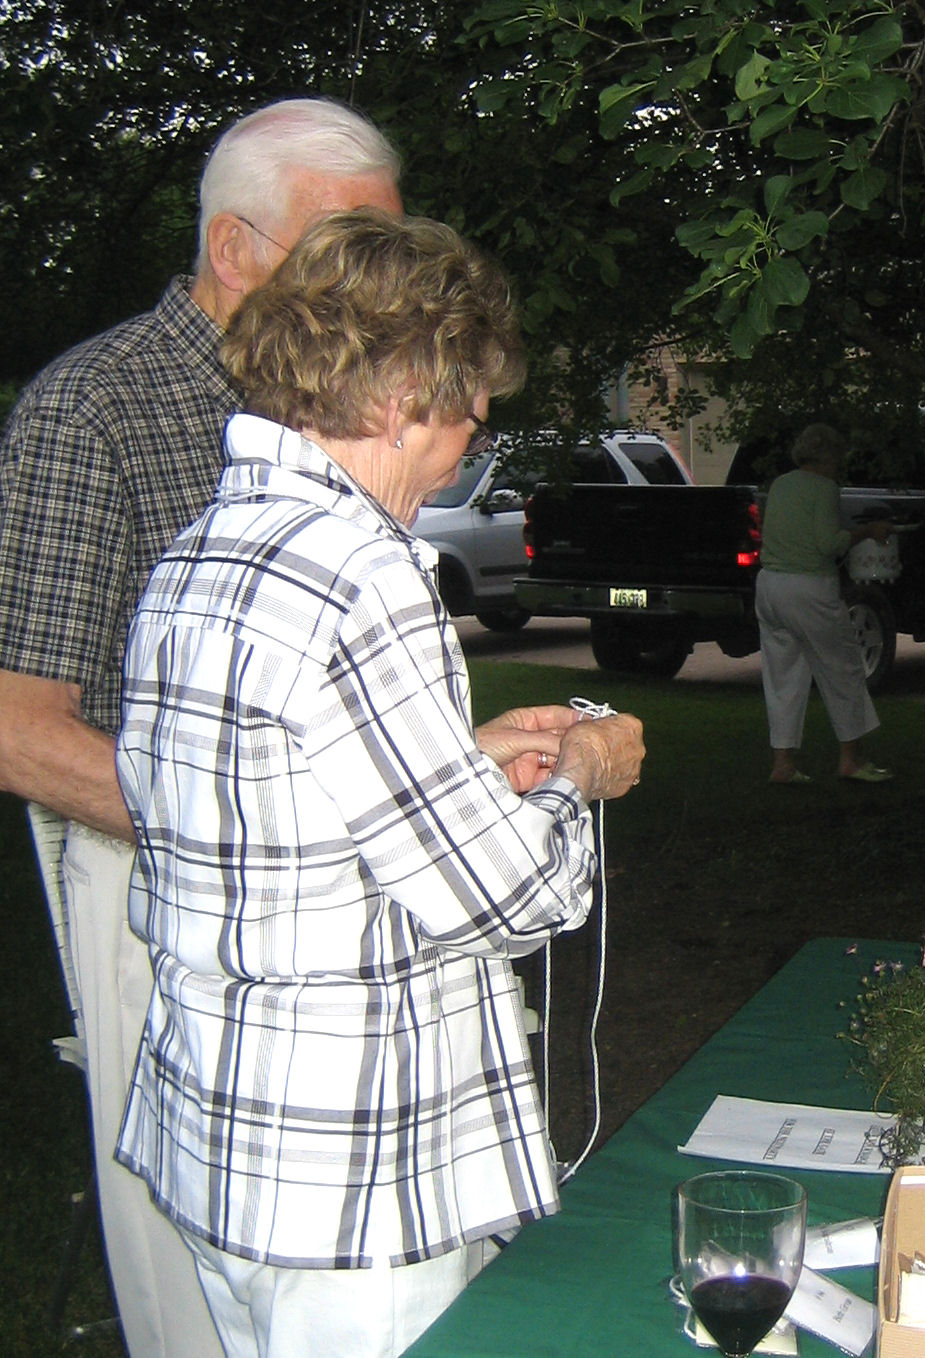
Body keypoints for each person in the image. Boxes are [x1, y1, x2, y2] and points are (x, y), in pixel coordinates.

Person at [114, 208, 647, 1358]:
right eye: (469, 410)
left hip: (226, 1138)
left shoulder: (203, 550)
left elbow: (291, 807)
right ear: (409, 391)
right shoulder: (360, 573)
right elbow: (508, 898)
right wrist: (582, 773)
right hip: (350, 1177)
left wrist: (474, 755)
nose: (467, 440)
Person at [0, 97, 403, 1358]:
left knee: (343, 1253)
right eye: (342, 248)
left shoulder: (333, 402)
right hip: (155, 889)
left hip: (343, 891)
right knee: (194, 1272)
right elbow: (16, 726)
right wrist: (239, 829)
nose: (376, 286)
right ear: (234, 249)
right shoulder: (95, 408)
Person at [755, 423, 895, 783]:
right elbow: (828, 544)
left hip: (770, 587)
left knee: (782, 677)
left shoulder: (781, 485)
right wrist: (865, 533)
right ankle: (852, 759)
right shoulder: (824, 488)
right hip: (809, 589)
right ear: (829, 457)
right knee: (843, 670)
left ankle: (782, 765)